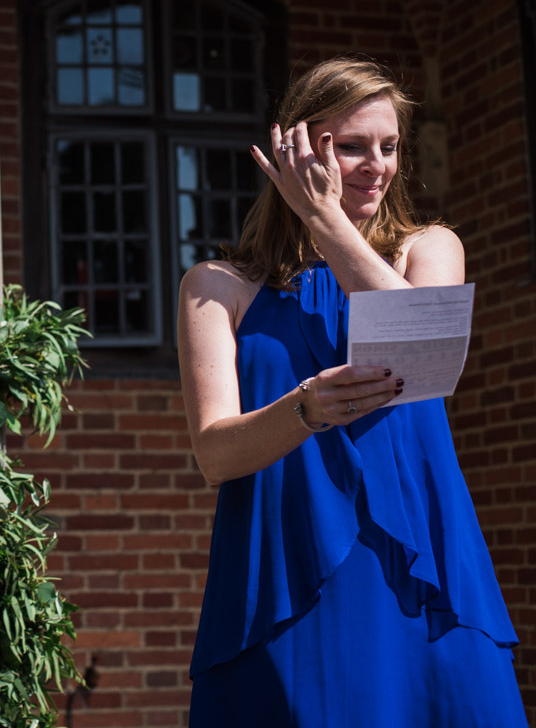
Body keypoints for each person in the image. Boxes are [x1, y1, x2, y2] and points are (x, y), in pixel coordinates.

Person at [178, 56, 525, 727]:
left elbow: (418, 340)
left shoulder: (429, 248)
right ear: (300, 147)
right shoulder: (217, 285)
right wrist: (304, 409)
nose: (377, 164)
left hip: (422, 568)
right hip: (285, 571)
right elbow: (215, 456)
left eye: (389, 147)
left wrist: (325, 221)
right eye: (355, 146)